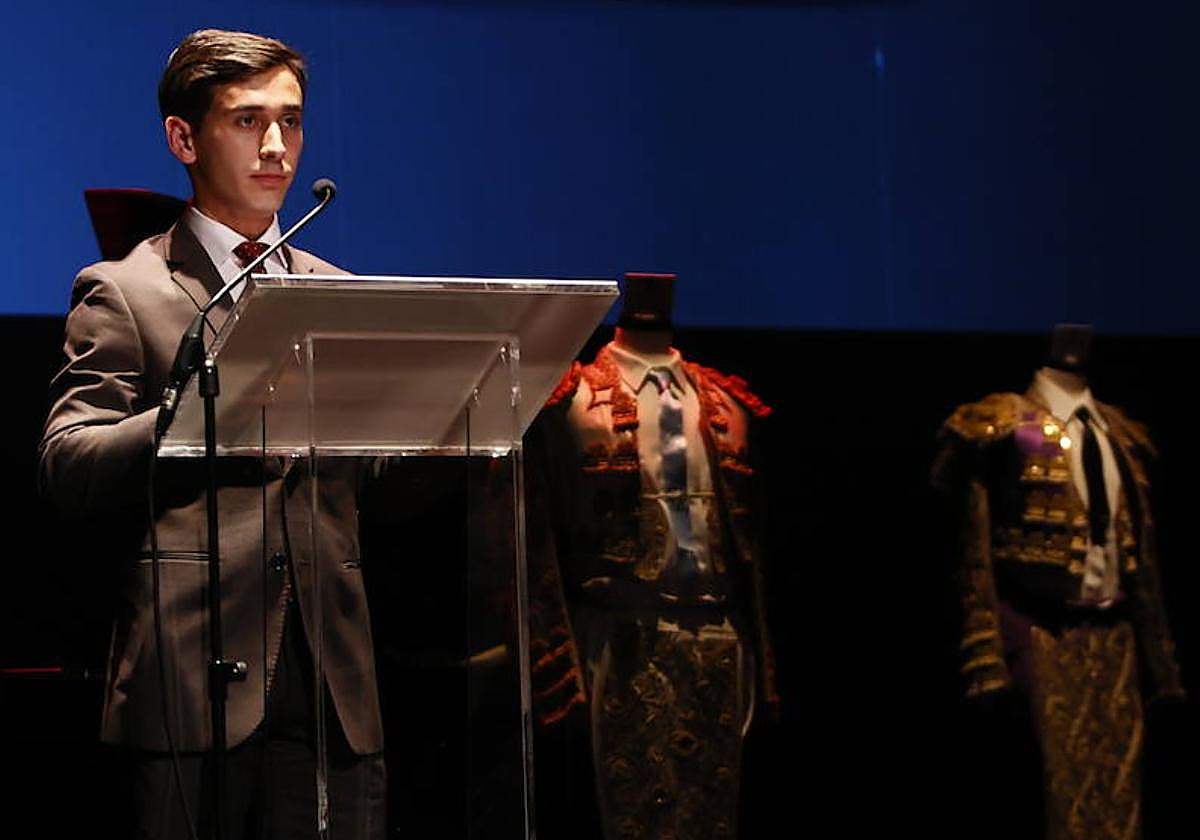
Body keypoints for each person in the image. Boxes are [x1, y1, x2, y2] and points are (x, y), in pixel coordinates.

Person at [39, 29, 385, 839]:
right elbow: (69, 461)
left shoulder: (338, 295)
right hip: (191, 691)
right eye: (247, 121)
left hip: (332, 685)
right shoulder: (126, 290)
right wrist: (195, 415)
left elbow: (372, 480)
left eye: (292, 122)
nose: (276, 147)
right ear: (183, 138)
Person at [524, 273, 779, 840]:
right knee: (627, 809)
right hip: (618, 637)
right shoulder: (574, 399)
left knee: (713, 810)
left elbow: (753, 552)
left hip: (716, 634)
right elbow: (539, 539)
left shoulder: (723, 401)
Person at [931, 325, 1183, 840]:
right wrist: (985, 656)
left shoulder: (1120, 433)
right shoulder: (997, 425)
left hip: (1116, 644)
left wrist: (1161, 664)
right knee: (1047, 796)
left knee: (1119, 797)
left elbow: (1145, 561)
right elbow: (973, 551)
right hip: (1039, 633)